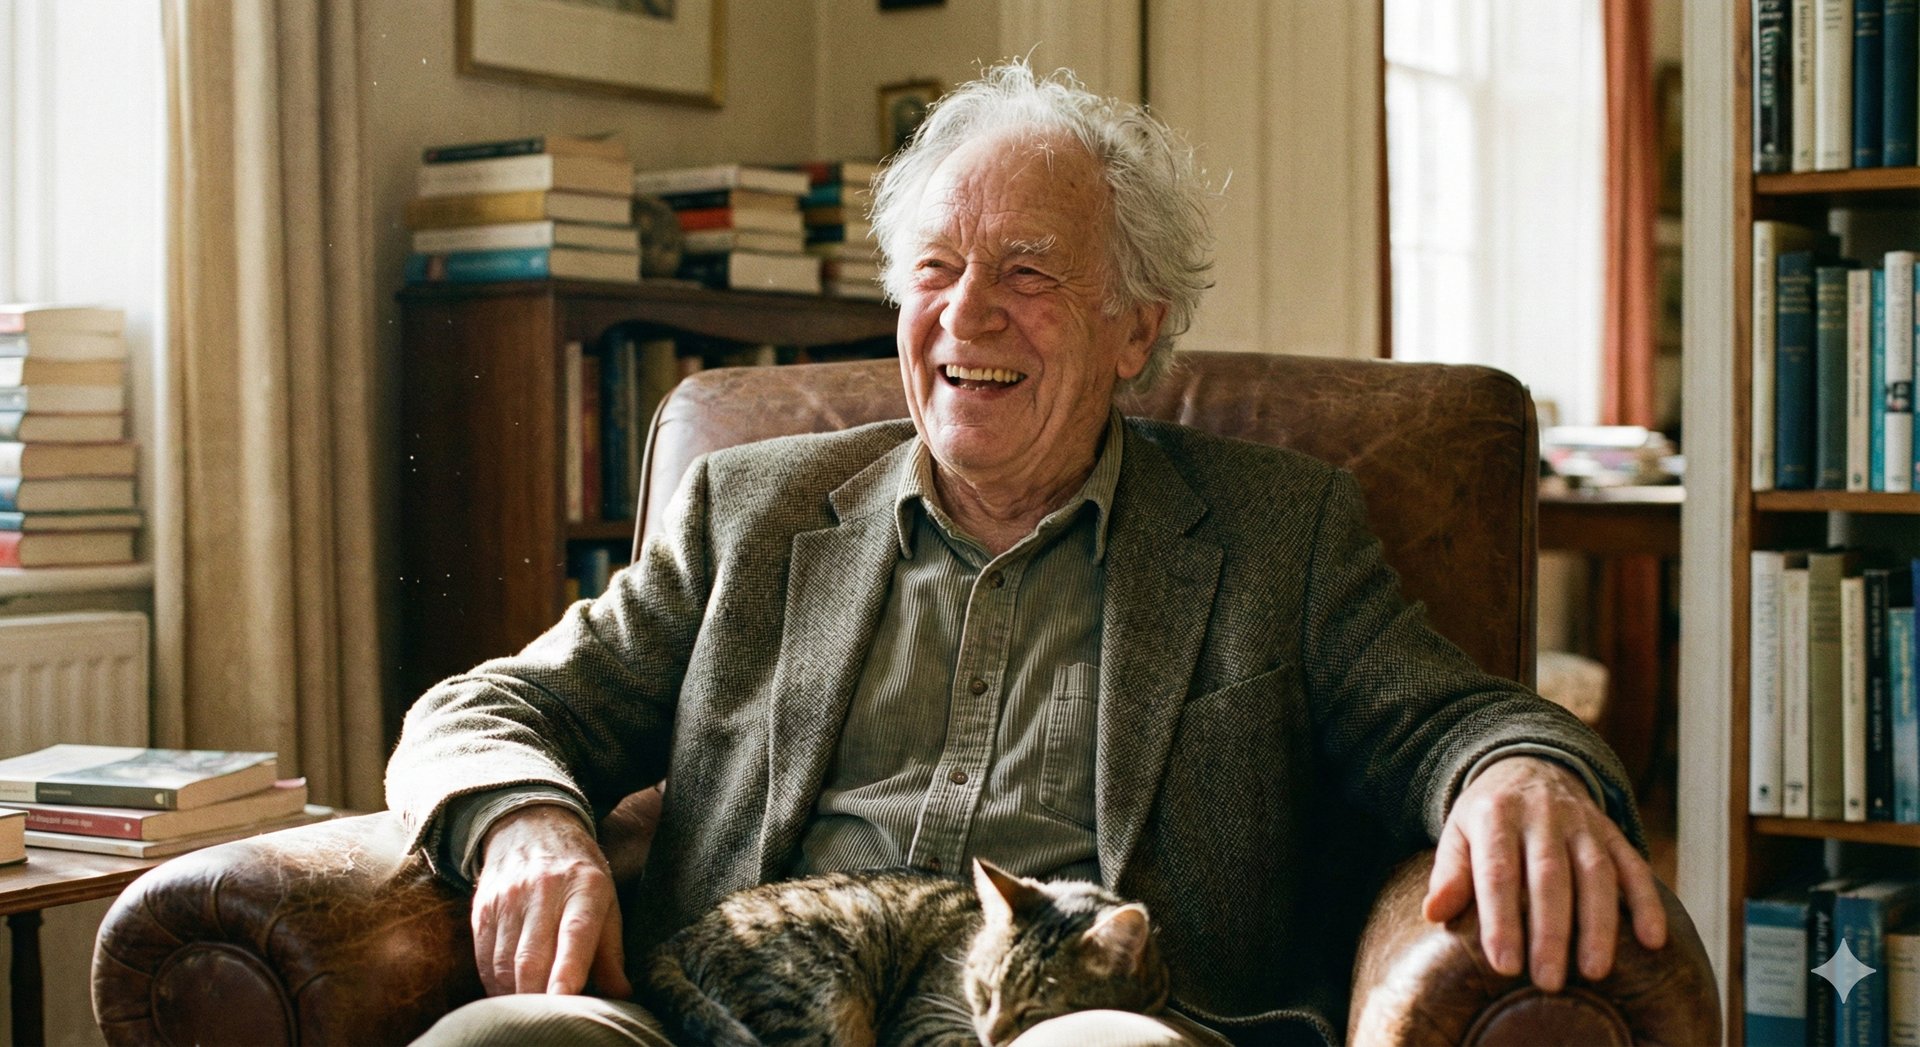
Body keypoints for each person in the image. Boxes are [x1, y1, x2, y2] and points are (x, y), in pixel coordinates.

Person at [389, 62, 1667, 1046]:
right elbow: (485, 707)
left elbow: (1451, 720)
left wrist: (1520, 777)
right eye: (935, 268)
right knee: (501, 1036)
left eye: (1028, 272)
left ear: (1134, 330)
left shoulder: (1282, 532)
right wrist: (525, 822)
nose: (967, 314)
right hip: (745, 1019)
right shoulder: (754, 511)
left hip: (1086, 1021)